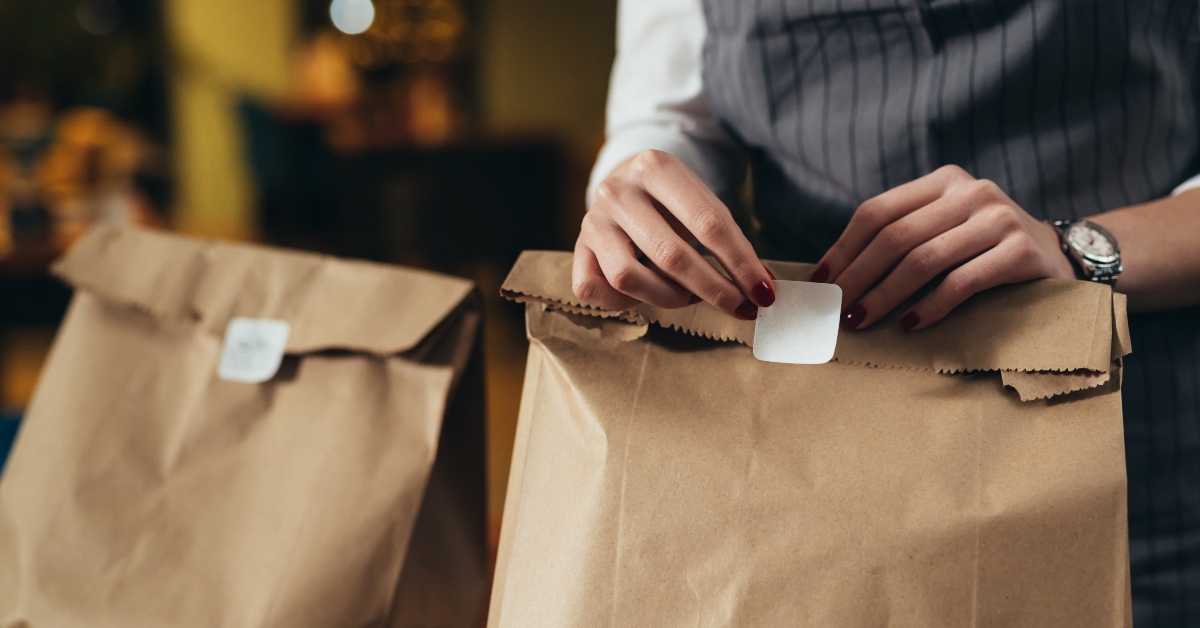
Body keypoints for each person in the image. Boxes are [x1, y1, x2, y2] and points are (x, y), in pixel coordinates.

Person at [575, 0, 1200, 624]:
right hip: (798, 466)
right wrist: (641, 197)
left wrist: (1075, 248)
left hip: (1125, 464)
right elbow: (674, 116)